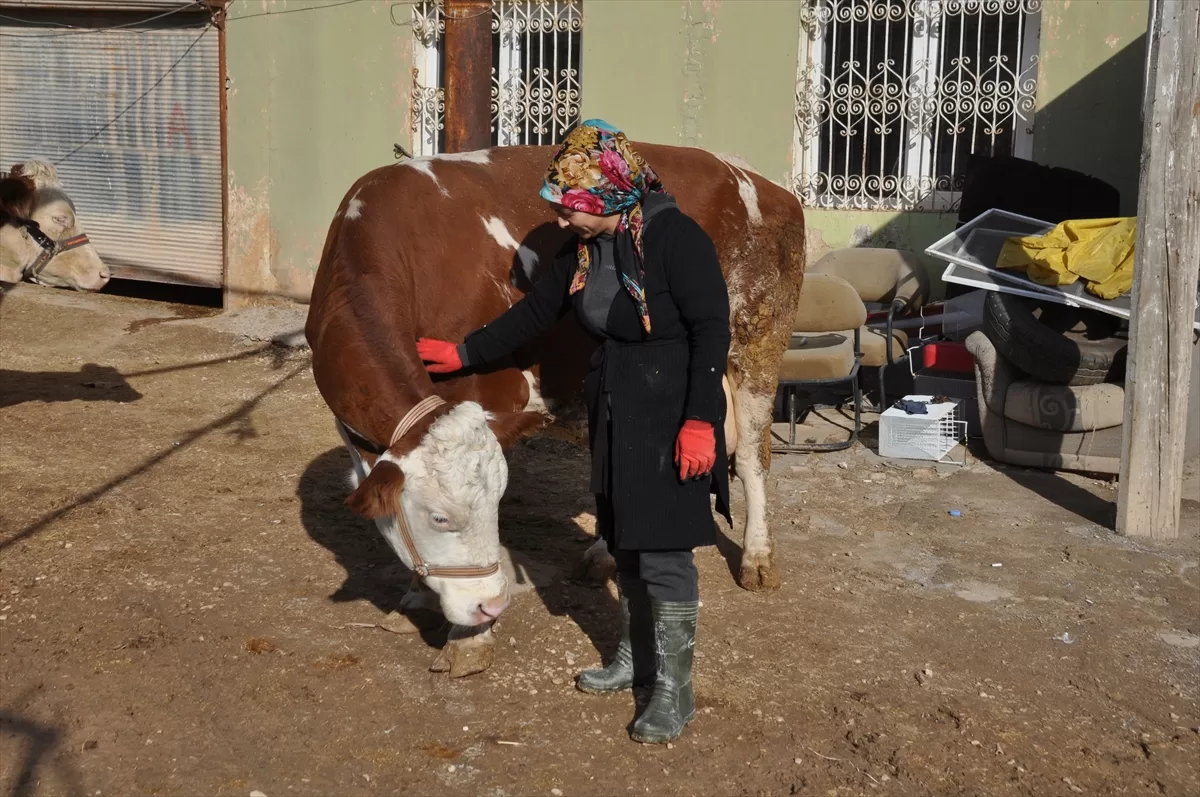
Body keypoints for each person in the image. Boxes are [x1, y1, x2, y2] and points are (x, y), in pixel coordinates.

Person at [416, 119, 731, 744]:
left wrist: (701, 421)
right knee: (625, 534)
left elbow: (712, 331)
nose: (562, 221)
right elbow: (535, 315)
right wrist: (464, 354)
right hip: (615, 400)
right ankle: (637, 659)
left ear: (609, 196)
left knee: (664, 547)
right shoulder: (587, 250)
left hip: (671, 403)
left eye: (571, 209)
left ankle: (674, 687)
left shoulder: (676, 239)